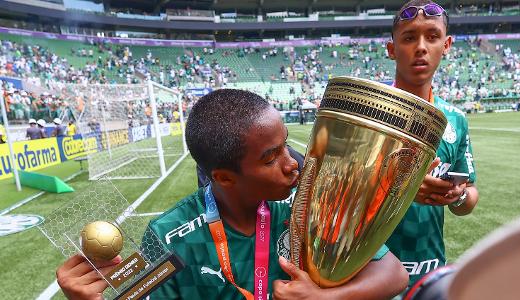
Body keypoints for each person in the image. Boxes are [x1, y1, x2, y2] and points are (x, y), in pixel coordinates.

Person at [56, 89, 409, 300]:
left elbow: (394, 274)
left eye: (285, 146)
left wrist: (323, 297)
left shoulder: (309, 203)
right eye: (271, 158)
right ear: (224, 177)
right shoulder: (167, 236)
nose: (292, 165)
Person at [385, 0, 479, 286]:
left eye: (432, 36)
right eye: (409, 37)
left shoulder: (456, 120)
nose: (421, 47)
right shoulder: (368, 112)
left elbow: (470, 194)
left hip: (430, 272)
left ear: (447, 45)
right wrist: (400, 187)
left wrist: (458, 195)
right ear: (391, 49)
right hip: (370, 272)